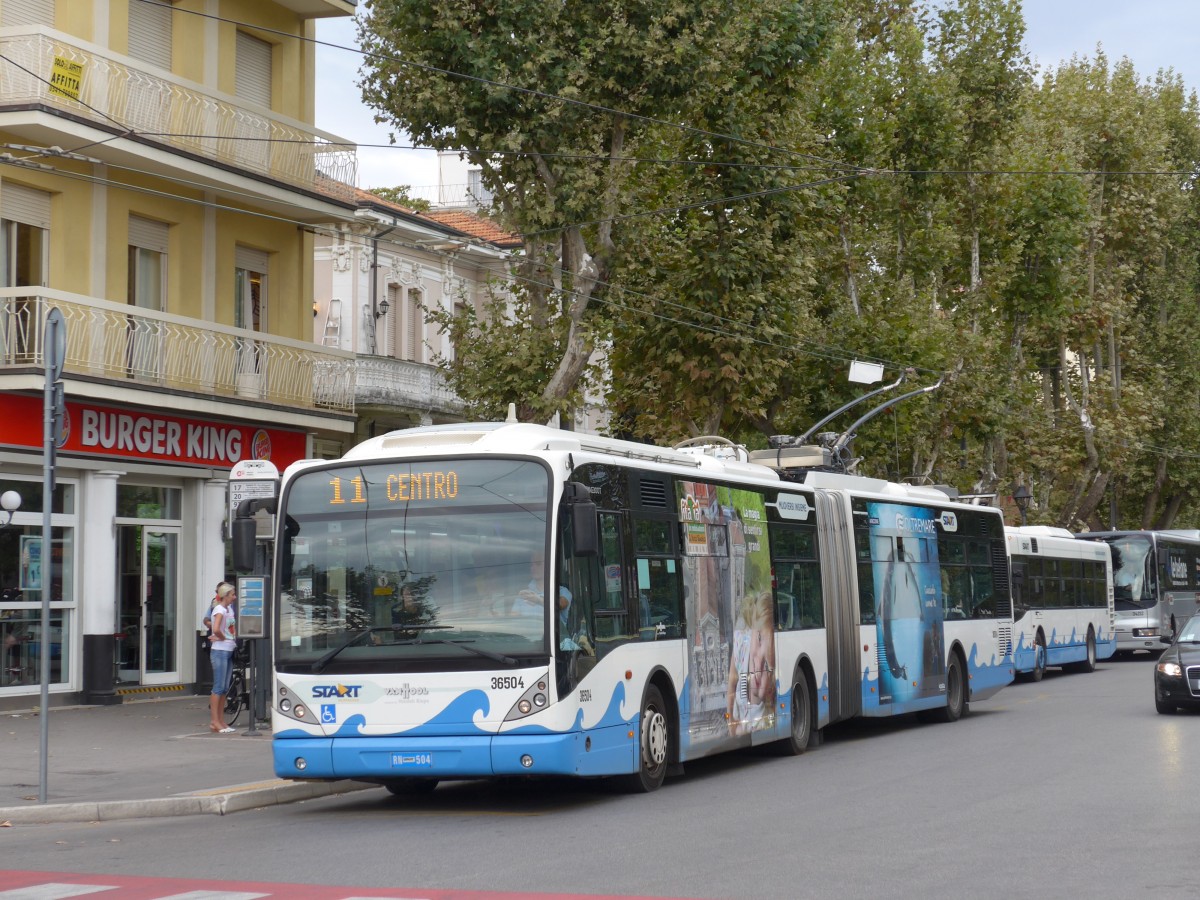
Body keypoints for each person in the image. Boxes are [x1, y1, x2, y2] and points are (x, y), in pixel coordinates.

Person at [207, 582, 238, 734]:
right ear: (226, 595)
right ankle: (214, 722)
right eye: (232, 594)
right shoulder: (219, 609)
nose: (235, 597)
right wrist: (222, 637)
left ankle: (220, 721)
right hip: (220, 651)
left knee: (224, 687)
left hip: (228, 650)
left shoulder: (228, 609)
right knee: (218, 687)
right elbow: (216, 628)